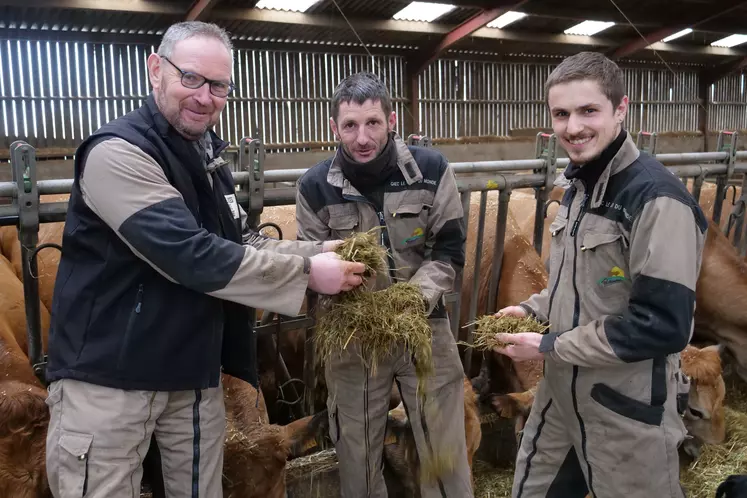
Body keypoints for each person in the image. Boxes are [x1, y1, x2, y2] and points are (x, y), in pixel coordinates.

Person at [43, 21, 365, 498]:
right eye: (190, 78)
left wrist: (314, 251)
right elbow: (187, 253)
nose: (204, 96)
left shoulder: (208, 159)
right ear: (157, 70)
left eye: (218, 86)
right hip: (110, 379)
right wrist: (306, 273)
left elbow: (240, 241)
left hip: (191, 374)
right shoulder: (117, 152)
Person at [492, 51, 707, 498]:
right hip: (559, 399)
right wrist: (531, 310)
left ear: (620, 109)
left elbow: (663, 326)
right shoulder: (578, 189)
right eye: (561, 113)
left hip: (623, 410)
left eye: (588, 110)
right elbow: (578, 285)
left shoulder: (655, 200)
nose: (573, 127)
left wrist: (548, 344)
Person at [295, 71, 472, 498]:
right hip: (352, 337)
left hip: (424, 329)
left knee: (443, 452)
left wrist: (411, 300)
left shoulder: (431, 170)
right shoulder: (314, 187)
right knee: (356, 454)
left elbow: (448, 252)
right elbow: (315, 263)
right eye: (350, 125)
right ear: (333, 127)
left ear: (391, 120)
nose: (361, 137)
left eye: (372, 122)